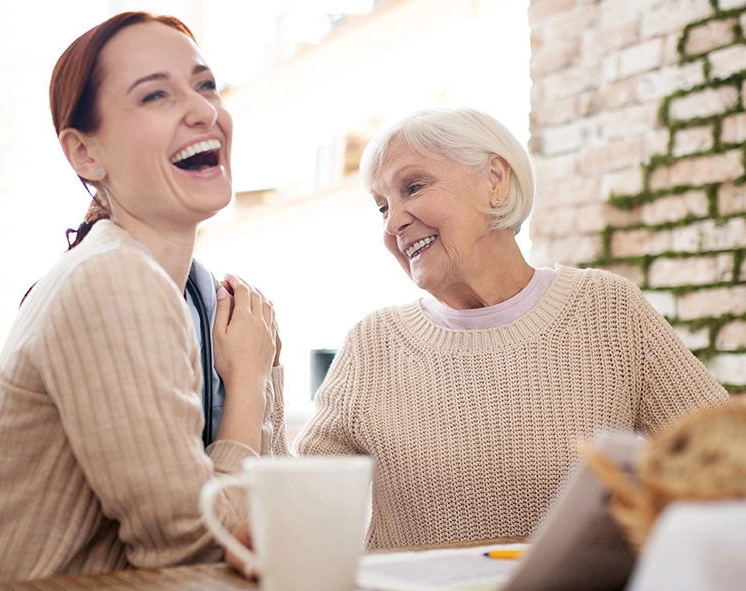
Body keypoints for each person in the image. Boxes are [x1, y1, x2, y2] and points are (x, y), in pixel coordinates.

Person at [0, 11, 287, 584]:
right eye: (155, 95)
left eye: (206, 85)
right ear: (85, 154)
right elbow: (193, 542)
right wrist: (249, 387)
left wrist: (255, 378)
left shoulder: (206, 301)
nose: (204, 109)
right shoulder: (112, 279)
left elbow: (271, 523)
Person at [293, 106, 731, 551]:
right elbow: (297, 509)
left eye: (414, 187)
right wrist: (258, 385)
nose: (393, 223)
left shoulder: (606, 310)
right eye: (382, 206)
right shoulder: (375, 343)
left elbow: (725, 459)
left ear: (495, 181)